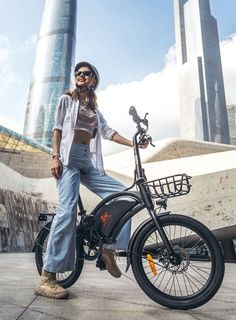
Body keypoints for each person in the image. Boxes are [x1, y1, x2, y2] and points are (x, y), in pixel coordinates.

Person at [35, 61, 139, 299]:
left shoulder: (94, 110)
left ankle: (108, 248)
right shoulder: (66, 100)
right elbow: (57, 129)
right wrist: (55, 157)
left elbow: (108, 132)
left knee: (125, 195)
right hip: (67, 159)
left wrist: (134, 143)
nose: (81, 76)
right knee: (68, 210)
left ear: (93, 79)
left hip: (86, 162)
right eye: (78, 73)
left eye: (86, 73)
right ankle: (47, 277)